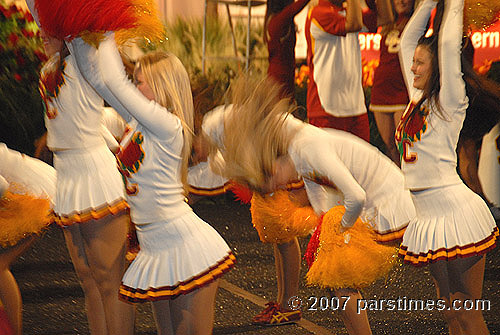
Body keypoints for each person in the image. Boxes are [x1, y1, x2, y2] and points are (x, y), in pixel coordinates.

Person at [203, 76, 416, 335]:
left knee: (341, 281)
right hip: (373, 196)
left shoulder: (307, 148)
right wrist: (324, 228)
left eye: (268, 184)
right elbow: (319, 194)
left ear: (273, 165)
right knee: (333, 277)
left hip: (387, 197)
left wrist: (338, 230)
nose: (278, 190)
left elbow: (356, 196)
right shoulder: (293, 150)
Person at [81, 35, 236, 335]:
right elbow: (99, 80)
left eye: (140, 81)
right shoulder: (139, 121)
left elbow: (114, 79)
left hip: (186, 246)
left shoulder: (167, 124)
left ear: (162, 85)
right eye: (136, 81)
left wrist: (108, 27)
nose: (135, 87)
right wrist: (77, 35)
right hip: (153, 246)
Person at [25, 4, 135, 333]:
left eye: (50, 25)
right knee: (88, 281)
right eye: (41, 24)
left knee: (110, 282)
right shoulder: (48, 70)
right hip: (67, 173)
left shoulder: (86, 59)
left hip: (94, 172)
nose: (42, 31)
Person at [396, 0, 498, 333]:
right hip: (428, 217)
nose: (413, 68)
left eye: (420, 63)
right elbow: (409, 37)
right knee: (450, 312)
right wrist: (427, 2)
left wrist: (453, 2)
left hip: (456, 213)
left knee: (467, 311)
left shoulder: (450, 100)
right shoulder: (417, 96)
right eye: (412, 63)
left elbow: (449, 43)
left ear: (437, 65)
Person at [304, 0, 392, 142]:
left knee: (360, 163)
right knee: (328, 163)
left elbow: (386, 19)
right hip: (326, 109)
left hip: (356, 108)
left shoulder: (350, 13)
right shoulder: (318, 13)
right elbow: (354, 24)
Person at [0, 143, 56, 335]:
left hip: (38, 193)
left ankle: (12, 330)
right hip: (33, 187)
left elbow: (2, 187)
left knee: (0, 266)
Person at [368, 0, 414, 165]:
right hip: (381, 90)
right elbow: (373, 5)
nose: (401, 1)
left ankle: (409, 185)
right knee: (389, 145)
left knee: (403, 144)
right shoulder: (387, 23)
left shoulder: (417, 23)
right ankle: (397, 185)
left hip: (402, 91)